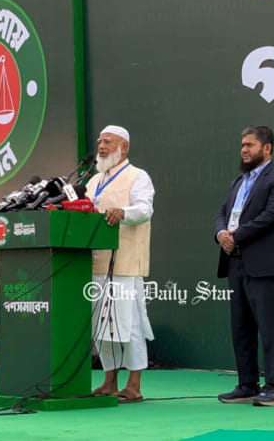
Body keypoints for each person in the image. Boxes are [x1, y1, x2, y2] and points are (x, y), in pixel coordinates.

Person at [215, 125, 274, 407]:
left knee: (268, 327)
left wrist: (235, 236)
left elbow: (271, 216)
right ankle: (247, 384)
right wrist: (221, 234)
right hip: (234, 263)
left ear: (267, 148)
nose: (244, 150)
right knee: (241, 328)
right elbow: (223, 213)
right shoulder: (238, 182)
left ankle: (273, 387)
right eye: (242, 145)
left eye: (249, 145)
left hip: (263, 264)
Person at [86, 125, 155, 404]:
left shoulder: (138, 176)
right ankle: (109, 382)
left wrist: (122, 212)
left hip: (125, 264)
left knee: (130, 324)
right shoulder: (93, 180)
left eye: (108, 142)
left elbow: (145, 209)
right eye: (100, 141)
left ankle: (134, 385)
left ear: (124, 147)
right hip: (94, 263)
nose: (101, 146)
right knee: (102, 326)